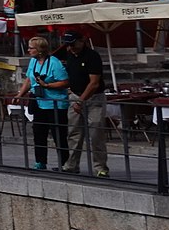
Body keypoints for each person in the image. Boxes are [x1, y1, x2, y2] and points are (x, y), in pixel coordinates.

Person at [15, 35, 71, 170]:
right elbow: (29, 80)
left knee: (59, 134)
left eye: (31, 48)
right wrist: (20, 94)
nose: (28, 50)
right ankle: (40, 161)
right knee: (39, 133)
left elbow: (65, 82)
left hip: (55, 103)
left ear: (39, 50)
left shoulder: (54, 63)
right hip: (39, 102)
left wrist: (48, 86)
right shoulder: (33, 62)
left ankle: (65, 163)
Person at [59, 31, 109, 177]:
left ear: (82, 41)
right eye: (68, 45)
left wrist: (81, 101)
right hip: (75, 95)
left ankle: (100, 167)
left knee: (95, 133)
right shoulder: (69, 55)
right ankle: (72, 165)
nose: (71, 47)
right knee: (74, 132)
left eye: (73, 44)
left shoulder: (92, 56)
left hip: (94, 98)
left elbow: (94, 83)